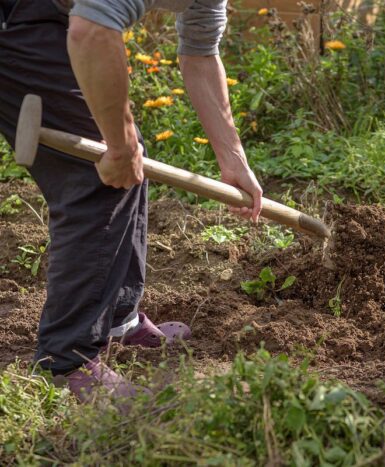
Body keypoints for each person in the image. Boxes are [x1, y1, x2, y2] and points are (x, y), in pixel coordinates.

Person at [0, 0, 263, 401]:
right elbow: (91, 30)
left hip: (49, 15)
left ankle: (116, 320)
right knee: (100, 174)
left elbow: (200, 52)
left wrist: (234, 159)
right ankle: (65, 362)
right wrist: (120, 148)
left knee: (126, 158)